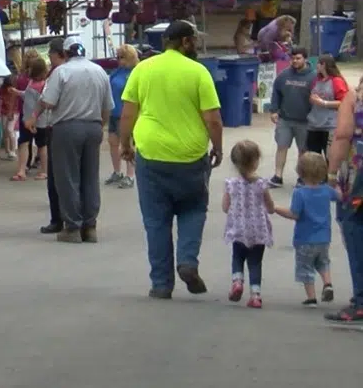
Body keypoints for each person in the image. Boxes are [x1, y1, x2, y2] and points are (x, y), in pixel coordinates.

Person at [120, 20, 223, 299]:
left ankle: (161, 284)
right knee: (194, 210)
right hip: (190, 157)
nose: (196, 45)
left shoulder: (143, 69)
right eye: (194, 40)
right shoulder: (198, 72)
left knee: (156, 221)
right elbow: (213, 118)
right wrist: (218, 148)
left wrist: (125, 144)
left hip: (151, 155)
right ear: (185, 42)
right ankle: (187, 261)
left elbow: (128, 113)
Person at [25, 36, 112, 243]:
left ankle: (73, 226)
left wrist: (33, 117)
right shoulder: (99, 71)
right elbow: (107, 106)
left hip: (67, 127)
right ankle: (90, 226)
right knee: (90, 177)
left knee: (68, 177)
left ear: (65, 53)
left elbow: (48, 101)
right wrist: (100, 126)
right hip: (93, 126)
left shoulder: (62, 72)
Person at [274, 152, 339, 307]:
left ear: (300, 172)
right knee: (323, 262)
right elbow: (340, 197)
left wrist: (275, 208)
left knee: (305, 267)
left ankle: (311, 298)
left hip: (304, 239)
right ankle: (327, 283)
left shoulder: (300, 193)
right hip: (324, 238)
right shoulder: (327, 190)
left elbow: (294, 214)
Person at [325, 76, 363, 322]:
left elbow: (342, 135)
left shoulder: (353, 98)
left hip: (358, 174)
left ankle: (361, 301)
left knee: (354, 229)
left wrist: (330, 173)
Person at [222, 140, 274, 309]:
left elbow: (225, 207)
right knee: (255, 262)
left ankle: (237, 281)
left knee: (237, 257)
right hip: (258, 231)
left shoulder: (230, 184)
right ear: (256, 161)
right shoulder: (262, 184)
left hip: (238, 229)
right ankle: (255, 295)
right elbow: (270, 207)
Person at [269, 47, 315, 187]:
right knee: (281, 146)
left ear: (305, 59)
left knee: (303, 150)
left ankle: (302, 177)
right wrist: (274, 110)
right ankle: (278, 176)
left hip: (305, 121)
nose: (295, 61)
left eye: (298, 58)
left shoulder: (313, 77)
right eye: (293, 58)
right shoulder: (284, 75)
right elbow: (276, 92)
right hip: (285, 119)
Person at [105, 44, 137, 189]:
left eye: (122, 57)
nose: (119, 60)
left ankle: (130, 175)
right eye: (117, 57)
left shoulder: (134, 73)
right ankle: (117, 172)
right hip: (113, 112)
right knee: (113, 142)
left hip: (126, 113)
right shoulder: (117, 72)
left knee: (127, 144)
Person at [12, 57, 48, 182]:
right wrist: (18, 92)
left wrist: (33, 118)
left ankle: (43, 170)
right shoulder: (32, 83)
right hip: (28, 119)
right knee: (26, 143)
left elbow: (38, 103)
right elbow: (27, 97)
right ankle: (22, 170)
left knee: (40, 145)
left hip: (37, 120)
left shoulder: (43, 85)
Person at [306, 54, 349, 156]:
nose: (316, 66)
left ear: (323, 65)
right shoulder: (317, 80)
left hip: (330, 126)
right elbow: (312, 96)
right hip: (314, 124)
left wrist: (324, 103)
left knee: (330, 156)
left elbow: (344, 102)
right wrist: (312, 99)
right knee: (313, 156)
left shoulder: (336, 81)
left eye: (318, 63)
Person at [15, 49, 40, 170]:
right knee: (31, 139)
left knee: (29, 139)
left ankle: (29, 162)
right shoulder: (25, 76)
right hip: (30, 111)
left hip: (31, 110)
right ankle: (30, 162)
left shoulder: (24, 76)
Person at [0, 76, 19, 161]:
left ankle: (13, 151)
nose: (9, 89)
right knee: (5, 131)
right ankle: (7, 151)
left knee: (10, 130)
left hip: (14, 112)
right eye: (8, 86)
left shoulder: (15, 91)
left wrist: (12, 113)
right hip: (4, 112)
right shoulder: (1, 91)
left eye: (11, 86)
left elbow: (15, 104)